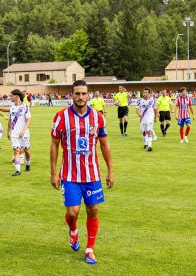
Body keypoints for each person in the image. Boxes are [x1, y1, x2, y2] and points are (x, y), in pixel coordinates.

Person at [50, 80, 114, 265]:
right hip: (69, 175)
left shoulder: (98, 117)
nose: (80, 97)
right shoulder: (61, 116)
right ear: (71, 95)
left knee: (93, 209)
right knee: (72, 213)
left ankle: (89, 249)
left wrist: (110, 170)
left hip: (92, 174)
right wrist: (54, 173)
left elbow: (104, 144)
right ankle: (73, 231)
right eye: (77, 93)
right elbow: (54, 145)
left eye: (83, 93)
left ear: (88, 95)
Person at [7, 89, 32, 176]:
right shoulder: (11, 108)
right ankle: (18, 171)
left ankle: (28, 165)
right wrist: (8, 132)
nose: (10, 97)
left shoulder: (25, 107)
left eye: (11, 96)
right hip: (14, 133)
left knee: (27, 150)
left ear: (16, 96)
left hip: (24, 133)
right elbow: (10, 120)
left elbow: (28, 120)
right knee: (16, 151)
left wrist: (24, 130)